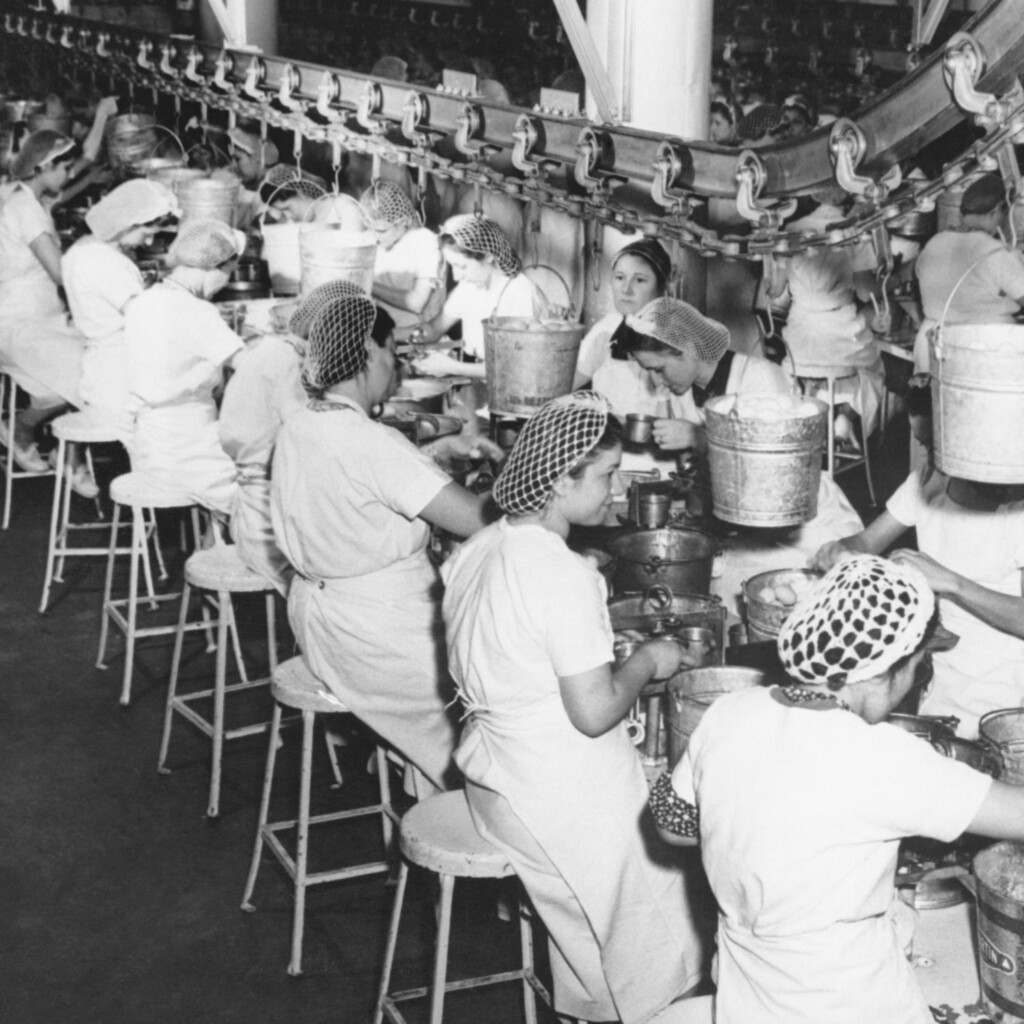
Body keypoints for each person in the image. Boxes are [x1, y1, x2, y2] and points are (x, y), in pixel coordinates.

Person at [652, 554, 1024, 1024]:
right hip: (844, 998)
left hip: (748, 989)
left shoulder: (731, 711)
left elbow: (672, 825)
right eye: (920, 665)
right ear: (891, 667)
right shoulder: (882, 758)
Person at [442, 392, 707, 1024]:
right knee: (669, 872)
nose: (617, 491)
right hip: (547, 788)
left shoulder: (486, 543)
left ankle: (593, 1002)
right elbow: (592, 713)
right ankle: (653, 1008)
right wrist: (650, 660)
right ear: (561, 480)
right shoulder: (560, 576)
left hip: (490, 773)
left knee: (607, 918)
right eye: (609, 475)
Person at [270, 293, 502, 794]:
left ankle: (408, 764)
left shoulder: (300, 423)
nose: (394, 365)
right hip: (379, 634)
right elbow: (478, 520)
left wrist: (435, 452)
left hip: (320, 620)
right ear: (368, 353)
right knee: (494, 707)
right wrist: (528, 487)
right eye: (392, 352)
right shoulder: (372, 443)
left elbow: (362, 478)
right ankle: (459, 808)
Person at [810, 375, 1024, 738]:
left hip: (1003, 699)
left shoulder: (1016, 510)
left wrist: (952, 583)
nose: (930, 458)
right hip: (936, 681)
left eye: (938, 446)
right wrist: (843, 551)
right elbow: (866, 540)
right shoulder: (928, 482)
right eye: (924, 445)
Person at [621, 297, 863, 613]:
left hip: (809, 534)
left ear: (688, 348)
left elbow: (771, 484)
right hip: (751, 532)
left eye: (658, 369)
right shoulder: (688, 391)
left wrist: (698, 437)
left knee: (736, 587)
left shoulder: (760, 379)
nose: (656, 382)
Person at [218, 279, 367, 594]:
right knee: (350, 576)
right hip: (269, 524)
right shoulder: (288, 368)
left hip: (257, 503)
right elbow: (312, 441)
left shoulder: (271, 350)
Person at [124, 218, 247, 516]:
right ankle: (230, 556)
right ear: (214, 267)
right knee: (264, 490)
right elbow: (250, 366)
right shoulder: (196, 311)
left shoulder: (144, 300)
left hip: (149, 446)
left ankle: (214, 547)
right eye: (229, 273)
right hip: (188, 452)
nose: (227, 283)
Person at [62, 178, 179, 446]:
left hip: (100, 373)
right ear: (127, 221)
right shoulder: (104, 262)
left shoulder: (79, 251)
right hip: (120, 379)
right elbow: (143, 319)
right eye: (146, 231)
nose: (149, 240)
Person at [0, 129, 80, 471]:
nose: (68, 174)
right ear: (45, 167)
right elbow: (61, 274)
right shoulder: (25, 210)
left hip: (37, 316)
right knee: (88, 375)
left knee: (97, 361)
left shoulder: (26, 201)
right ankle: (24, 428)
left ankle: (71, 456)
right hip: (20, 324)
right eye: (64, 168)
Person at [779, 193, 885, 447]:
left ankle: (813, 419)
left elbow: (778, 291)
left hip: (800, 335)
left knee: (807, 374)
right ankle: (846, 415)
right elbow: (863, 291)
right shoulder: (854, 230)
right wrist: (883, 287)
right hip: (842, 328)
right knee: (873, 369)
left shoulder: (791, 230)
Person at [913, 172, 1024, 373]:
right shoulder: (994, 253)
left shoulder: (934, 243)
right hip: (982, 353)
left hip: (931, 349)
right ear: (998, 210)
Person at [573, 237, 673, 417]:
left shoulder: (677, 337)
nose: (626, 289)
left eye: (640, 280)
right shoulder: (606, 329)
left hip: (655, 439)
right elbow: (565, 384)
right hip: (607, 439)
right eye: (620, 278)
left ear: (662, 287)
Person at [360, 180, 444, 328]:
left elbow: (416, 303)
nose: (375, 236)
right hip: (381, 329)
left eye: (381, 231)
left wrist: (366, 284)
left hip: (415, 334)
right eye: (370, 229)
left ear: (404, 221)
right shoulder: (376, 240)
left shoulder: (425, 241)